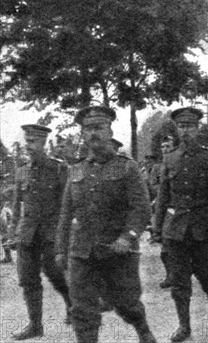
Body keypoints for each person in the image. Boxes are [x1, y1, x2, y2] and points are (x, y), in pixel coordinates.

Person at [55, 106, 156, 343]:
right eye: (87, 129)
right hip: (82, 251)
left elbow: (141, 208)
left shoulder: (127, 167)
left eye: (98, 128)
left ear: (109, 130)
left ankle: (143, 330)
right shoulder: (76, 169)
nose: (92, 134)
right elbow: (66, 212)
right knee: (82, 309)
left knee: (126, 304)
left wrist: (127, 237)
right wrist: (60, 249)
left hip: (117, 251)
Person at [153, 107, 208, 342]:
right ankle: (184, 326)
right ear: (176, 129)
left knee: (206, 276)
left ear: (197, 129)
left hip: (203, 227)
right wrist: (157, 228)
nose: (185, 131)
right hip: (176, 230)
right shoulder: (169, 158)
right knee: (179, 281)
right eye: (182, 127)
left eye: (190, 127)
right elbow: (163, 197)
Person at [5, 124, 71, 340]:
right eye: (27, 141)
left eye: (33, 141)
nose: (28, 145)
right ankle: (35, 325)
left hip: (51, 233)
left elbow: (67, 205)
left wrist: (64, 234)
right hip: (27, 233)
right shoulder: (22, 170)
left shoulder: (59, 169)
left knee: (55, 273)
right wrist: (12, 232)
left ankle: (72, 305)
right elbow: (16, 206)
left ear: (44, 143)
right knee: (27, 279)